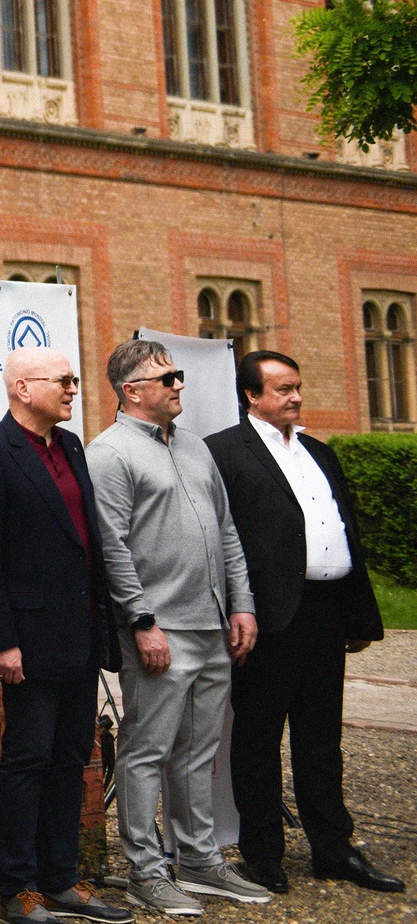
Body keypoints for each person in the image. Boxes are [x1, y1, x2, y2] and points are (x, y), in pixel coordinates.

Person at [207, 352, 400, 896]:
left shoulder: (319, 451)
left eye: (298, 387)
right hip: (266, 620)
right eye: (284, 389)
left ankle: (333, 850)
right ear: (252, 395)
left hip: (326, 613)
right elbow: (221, 542)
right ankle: (263, 856)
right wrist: (234, 612)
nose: (296, 397)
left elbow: (346, 531)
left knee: (321, 741)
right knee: (259, 740)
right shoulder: (223, 453)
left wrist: (361, 615)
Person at [86, 338, 262, 917]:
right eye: (168, 378)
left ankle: (202, 861)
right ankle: (145, 870)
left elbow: (227, 531)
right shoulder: (109, 454)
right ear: (132, 391)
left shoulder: (194, 448)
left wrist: (242, 605)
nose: (181, 385)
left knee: (199, 750)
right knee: (147, 750)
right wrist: (141, 622)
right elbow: (111, 547)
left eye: (180, 375)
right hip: (160, 630)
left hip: (212, 625)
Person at [0, 349, 130, 924]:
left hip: (79, 632)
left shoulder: (71, 447)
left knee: (71, 757)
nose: (74, 388)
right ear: (23, 388)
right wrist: (2, 641)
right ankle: (19, 887)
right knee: (27, 760)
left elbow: (87, 541)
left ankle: (62, 880)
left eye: (74, 380)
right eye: (64, 380)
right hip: (26, 641)